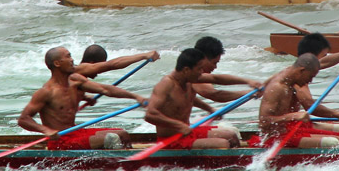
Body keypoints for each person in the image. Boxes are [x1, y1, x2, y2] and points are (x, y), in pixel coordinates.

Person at [17, 47, 146, 150]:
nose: (72, 60)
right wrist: (46, 130)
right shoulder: (46, 92)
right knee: (111, 138)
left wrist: (135, 96)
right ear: (57, 63)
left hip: (77, 132)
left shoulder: (75, 80)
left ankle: (130, 161)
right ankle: (119, 165)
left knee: (123, 134)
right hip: (60, 142)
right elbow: (23, 119)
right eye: (68, 57)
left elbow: (106, 89)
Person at [144, 48, 242, 149]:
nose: (202, 72)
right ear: (186, 70)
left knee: (231, 136)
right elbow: (149, 115)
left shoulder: (188, 79)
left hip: (189, 132)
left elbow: (215, 79)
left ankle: (242, 163)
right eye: (199, 69)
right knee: (223, 144)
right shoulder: (166, 85)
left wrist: (209, 109)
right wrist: (179, 126)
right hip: (172, 140)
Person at [251, 53, 339, 149]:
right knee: (332, 142)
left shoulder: (291, 79)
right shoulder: (277, 88)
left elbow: (325, 62)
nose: (310, 81)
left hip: (291, 130)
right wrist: (292, 116)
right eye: (310, 76)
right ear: (301, 71)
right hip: (274, 138)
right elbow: (263, 122)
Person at [75, 45, 160, 108]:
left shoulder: (79, 79)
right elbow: (113, 65)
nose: (98, 73)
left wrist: (84, 98)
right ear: (92, 63)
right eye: (100, 65)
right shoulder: (79, 70)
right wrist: (144, 55)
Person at [192, 36, 263, 103]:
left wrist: (248, 81)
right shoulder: (191, 73)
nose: (215, 67)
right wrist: (247, 93)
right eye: (214, 63)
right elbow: (215, 95)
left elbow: (216, 79)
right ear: (203, 59)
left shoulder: (194, 73)